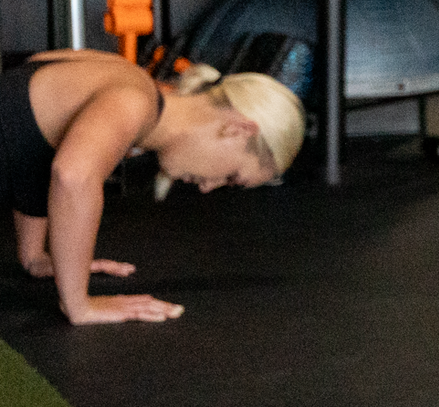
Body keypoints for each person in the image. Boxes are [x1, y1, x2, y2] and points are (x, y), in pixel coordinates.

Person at [7, 54, 303, 324]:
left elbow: (28, 122)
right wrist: (80, 305)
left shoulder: (126, 75)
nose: (209, 188)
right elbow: (72, 177)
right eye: (232, 177)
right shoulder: (133, 102)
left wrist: (35, 256)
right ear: (238, 130)